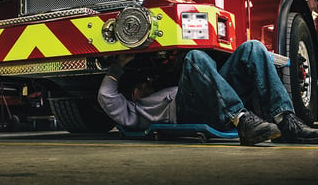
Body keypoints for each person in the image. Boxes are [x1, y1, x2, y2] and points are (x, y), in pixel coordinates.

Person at [97, 40, 318, 145]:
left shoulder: (165, 86)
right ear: (134, 95)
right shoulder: (135, 111)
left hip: (211, 97)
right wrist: (119, 65)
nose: (146, 85)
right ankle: (242, 120)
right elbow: (106, 97)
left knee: (252, 48)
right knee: (195, 58)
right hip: (187, 111)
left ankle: (285, 120)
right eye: (141, 86)